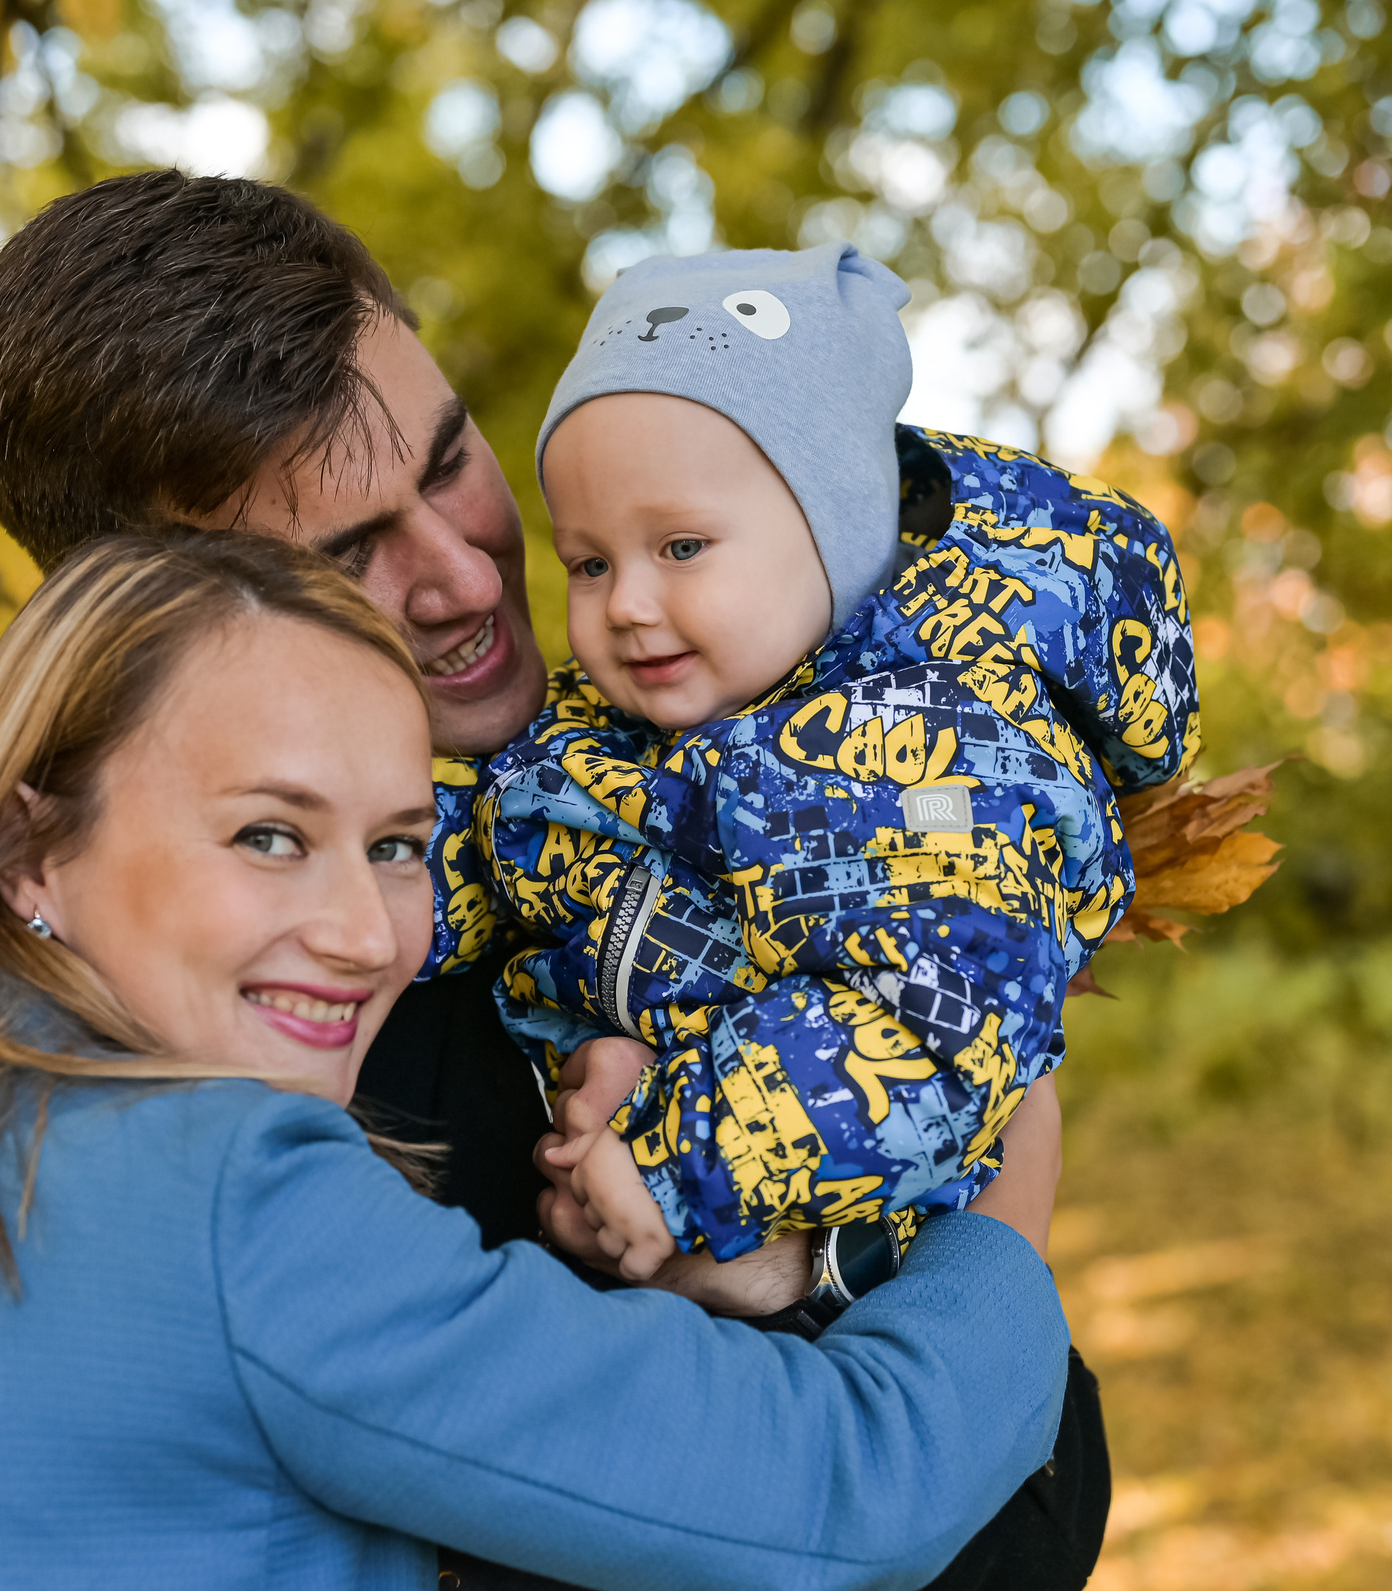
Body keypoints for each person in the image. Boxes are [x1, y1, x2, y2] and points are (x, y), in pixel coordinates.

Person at [0, 174, 1110, 1591]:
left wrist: (764, 1258)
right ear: (138, 603)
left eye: (453, 456)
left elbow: (1017, 1530)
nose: (469, 570)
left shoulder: (801, 820)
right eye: (345, 552)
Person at [460, 242, 1196, 1279]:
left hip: (817, 1216)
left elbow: (936, 1029)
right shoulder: (607, 726)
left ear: (837, 535)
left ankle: (775, 1275)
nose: (624, 603)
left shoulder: (945, 760)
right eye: (589, 561)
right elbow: (494, 834)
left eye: (679, 548)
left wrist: (679, 1164)